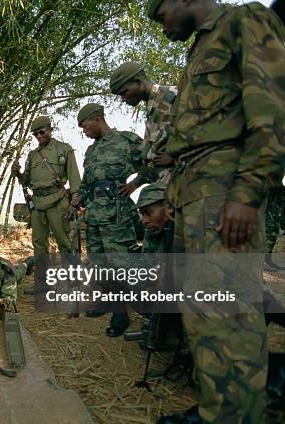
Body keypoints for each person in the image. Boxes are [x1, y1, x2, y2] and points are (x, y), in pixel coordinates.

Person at [148, 0, 285, 422]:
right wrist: (171, 199)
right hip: (196, 196)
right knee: (203, 319)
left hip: (225, 195)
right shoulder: (198, 52)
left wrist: (247, 191)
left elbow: (272, 112)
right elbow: (195, 136)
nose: (162, 26)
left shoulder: (246, 20)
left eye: (160, 14)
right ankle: (218, 410)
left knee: (228, 317)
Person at [77, 103, 144, 337]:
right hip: (94, 216)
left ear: (96, 118)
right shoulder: (91, 151)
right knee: (100, 264)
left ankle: (121, 313)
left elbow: (154, 162)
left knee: (120, 265)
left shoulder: (127, 141)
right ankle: (108, 301)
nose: (83, 132)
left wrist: (135, 183)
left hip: (117, 216)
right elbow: (86, 184)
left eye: (84, 126)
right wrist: (77, 197)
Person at [11, 116, 81, 261]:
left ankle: (73, 281)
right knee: (39, 245)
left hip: (57, 201)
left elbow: (75, 179)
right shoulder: (33, 155)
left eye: (41, 132)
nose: (38, 136)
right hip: (37, 204)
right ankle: (42, 282)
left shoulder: (64, 149)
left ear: (50, 129)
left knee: (65, 243)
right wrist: (18, 174)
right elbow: (26, 181)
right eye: (35, 134)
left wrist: (73, 203)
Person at [109, 61, 177, 191]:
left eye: (124, 92)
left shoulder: (172, 95)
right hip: (165, 185)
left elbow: (205, 127)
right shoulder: (152, 108)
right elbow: (154, 154)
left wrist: (176, 154)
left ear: (138, 81)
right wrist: (135, 184)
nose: (123, 99)